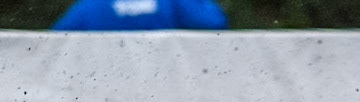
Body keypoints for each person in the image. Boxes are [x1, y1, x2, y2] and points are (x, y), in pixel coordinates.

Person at [51, 0, 228, 31]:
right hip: (168, 87)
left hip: (106, 89)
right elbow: (215, 22)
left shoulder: (90, 5)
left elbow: (56, 40)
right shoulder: (173, 1)